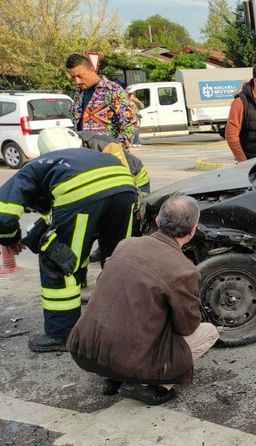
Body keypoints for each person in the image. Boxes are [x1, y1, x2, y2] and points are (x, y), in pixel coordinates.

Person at [68, 195, 219, 406]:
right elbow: (187, 327)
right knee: (209, 332)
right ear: (193, 230)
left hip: (83, 349)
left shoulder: (125, 244)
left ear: (158, 221)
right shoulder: (184, 270)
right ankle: (151, 385)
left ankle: (113, 377)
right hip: (129, 361)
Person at [0, 128, 138, 352]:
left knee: (59, 259)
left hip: (80, 193)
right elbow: (54, 215)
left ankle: (62, 334)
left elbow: (3, 215)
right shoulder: (86, 154)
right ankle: (126, 321)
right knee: (119, 260)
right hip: (124, 187)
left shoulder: (34, 167)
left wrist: (10, 239)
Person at [66, 54, 136, 147]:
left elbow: (130, 124)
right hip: (85, 155)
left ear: (91, 69)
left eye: (80, 76)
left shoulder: (113, 90)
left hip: (108, 157)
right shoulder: (78, 94)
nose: (77, 81)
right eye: (73, 78)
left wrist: (116, 148)